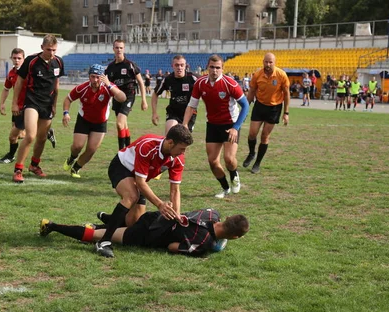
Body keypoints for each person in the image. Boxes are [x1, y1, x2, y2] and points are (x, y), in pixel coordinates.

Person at [94, 125, 194, 258]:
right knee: (131, 196)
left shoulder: (178, 159)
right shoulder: (147, 146)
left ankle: (111, 219)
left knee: (133, 223)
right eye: (181, 149)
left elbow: (175, 190)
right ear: (170, 143)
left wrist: (176, 216)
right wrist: (160, 204)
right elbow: (140, 183)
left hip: (138, 176)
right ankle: (103, 241)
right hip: (121, 166)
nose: (183, 153)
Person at [40, 208, 249, 257]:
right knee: (99, 236)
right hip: (148, 234)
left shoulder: (212, 212)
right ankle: (53, 225)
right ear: (234, 237)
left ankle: (108, 218)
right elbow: (172, 247)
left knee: (115, 227)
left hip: (154, 215)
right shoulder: (202, 244)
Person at [182, 54, 249, 199]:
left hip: (230, 123)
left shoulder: (230, 84)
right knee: (213, 161)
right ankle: (225, 188)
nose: (214, 70)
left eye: (218, 68)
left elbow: (245, 105)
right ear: (207, 67)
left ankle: (234, 174)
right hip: (212, 125)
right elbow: (192, 105)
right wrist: (185, 124)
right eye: (212, 67)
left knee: (229, 159)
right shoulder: (200, 83)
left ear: (222, 69)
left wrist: (235, 127)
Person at [11, 34, 64, 183]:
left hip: (47, 104)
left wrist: (54, 104)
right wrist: (15, 103)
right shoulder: (31, 61)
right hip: (32, 102)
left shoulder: (59, 62)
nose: (52, 53)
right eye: (49, 49)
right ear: (42, 47)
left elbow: (56, 84)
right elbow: (20, 82)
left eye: (54, 50)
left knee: (41, 138)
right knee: (30, 136)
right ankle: (18, 169)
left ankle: (34, 165)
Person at [62, 64, 126, 178]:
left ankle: (76, 168)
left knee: (91, 149)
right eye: (92, 76)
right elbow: (68, 99)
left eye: (98, 77)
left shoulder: (108, 87)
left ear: (102, 77)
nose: (95, 80)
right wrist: (66, 113)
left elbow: (122, 98)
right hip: (84, 120)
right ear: (89, 76)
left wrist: (109, 85)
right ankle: (72, 157)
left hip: (100, 123)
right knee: (77, 146)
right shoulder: (82, 88)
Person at [243, 52, 290, 174]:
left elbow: (286, 94)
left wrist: (286, 112)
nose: (268, 64)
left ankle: (257, 163)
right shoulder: (257, 74)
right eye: (266, 62)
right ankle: (252, 153)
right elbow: (252, 91)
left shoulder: (281, 75)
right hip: (259, 105)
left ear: (275, 63)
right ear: (263, 62)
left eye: (270, 62)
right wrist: (245, 108)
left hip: (274, 108)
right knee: (252, 133)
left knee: (264, 136)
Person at [105, 39, 148, 150]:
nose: (119, 50)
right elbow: (107, 85)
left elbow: (141, 82)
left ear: (124, 49)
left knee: (119, 123)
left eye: (121, 48)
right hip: (116, 97)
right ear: (113, 49)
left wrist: (144, 100)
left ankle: (121, 151)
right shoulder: (110, 67)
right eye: (117, 47)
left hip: (129, 95)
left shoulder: (130, 65)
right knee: (123, 125)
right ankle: (129, 148)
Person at [151, 54, 198, 134]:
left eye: (181, 65)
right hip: (173, 113)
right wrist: (154, 112)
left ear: (185, 66)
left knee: (182, 141)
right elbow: (155, 94)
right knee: (170, 135)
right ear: (172, 66)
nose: (179, 67)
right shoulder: (168, 79)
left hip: (189, 113)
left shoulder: (193, 78)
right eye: (176, 65)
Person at [0, 48, 26, 164]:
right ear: (11, 58)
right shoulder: (11, 73)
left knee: (13, 136)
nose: (17, 60)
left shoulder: (29, 73)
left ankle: (11, 156)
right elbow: (6, 89)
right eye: (14, 58)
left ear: (24, 59)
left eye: (19, 58)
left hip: (27, 108)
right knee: (18, 134)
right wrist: (2, 103)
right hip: (16, 107)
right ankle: (45, 132)